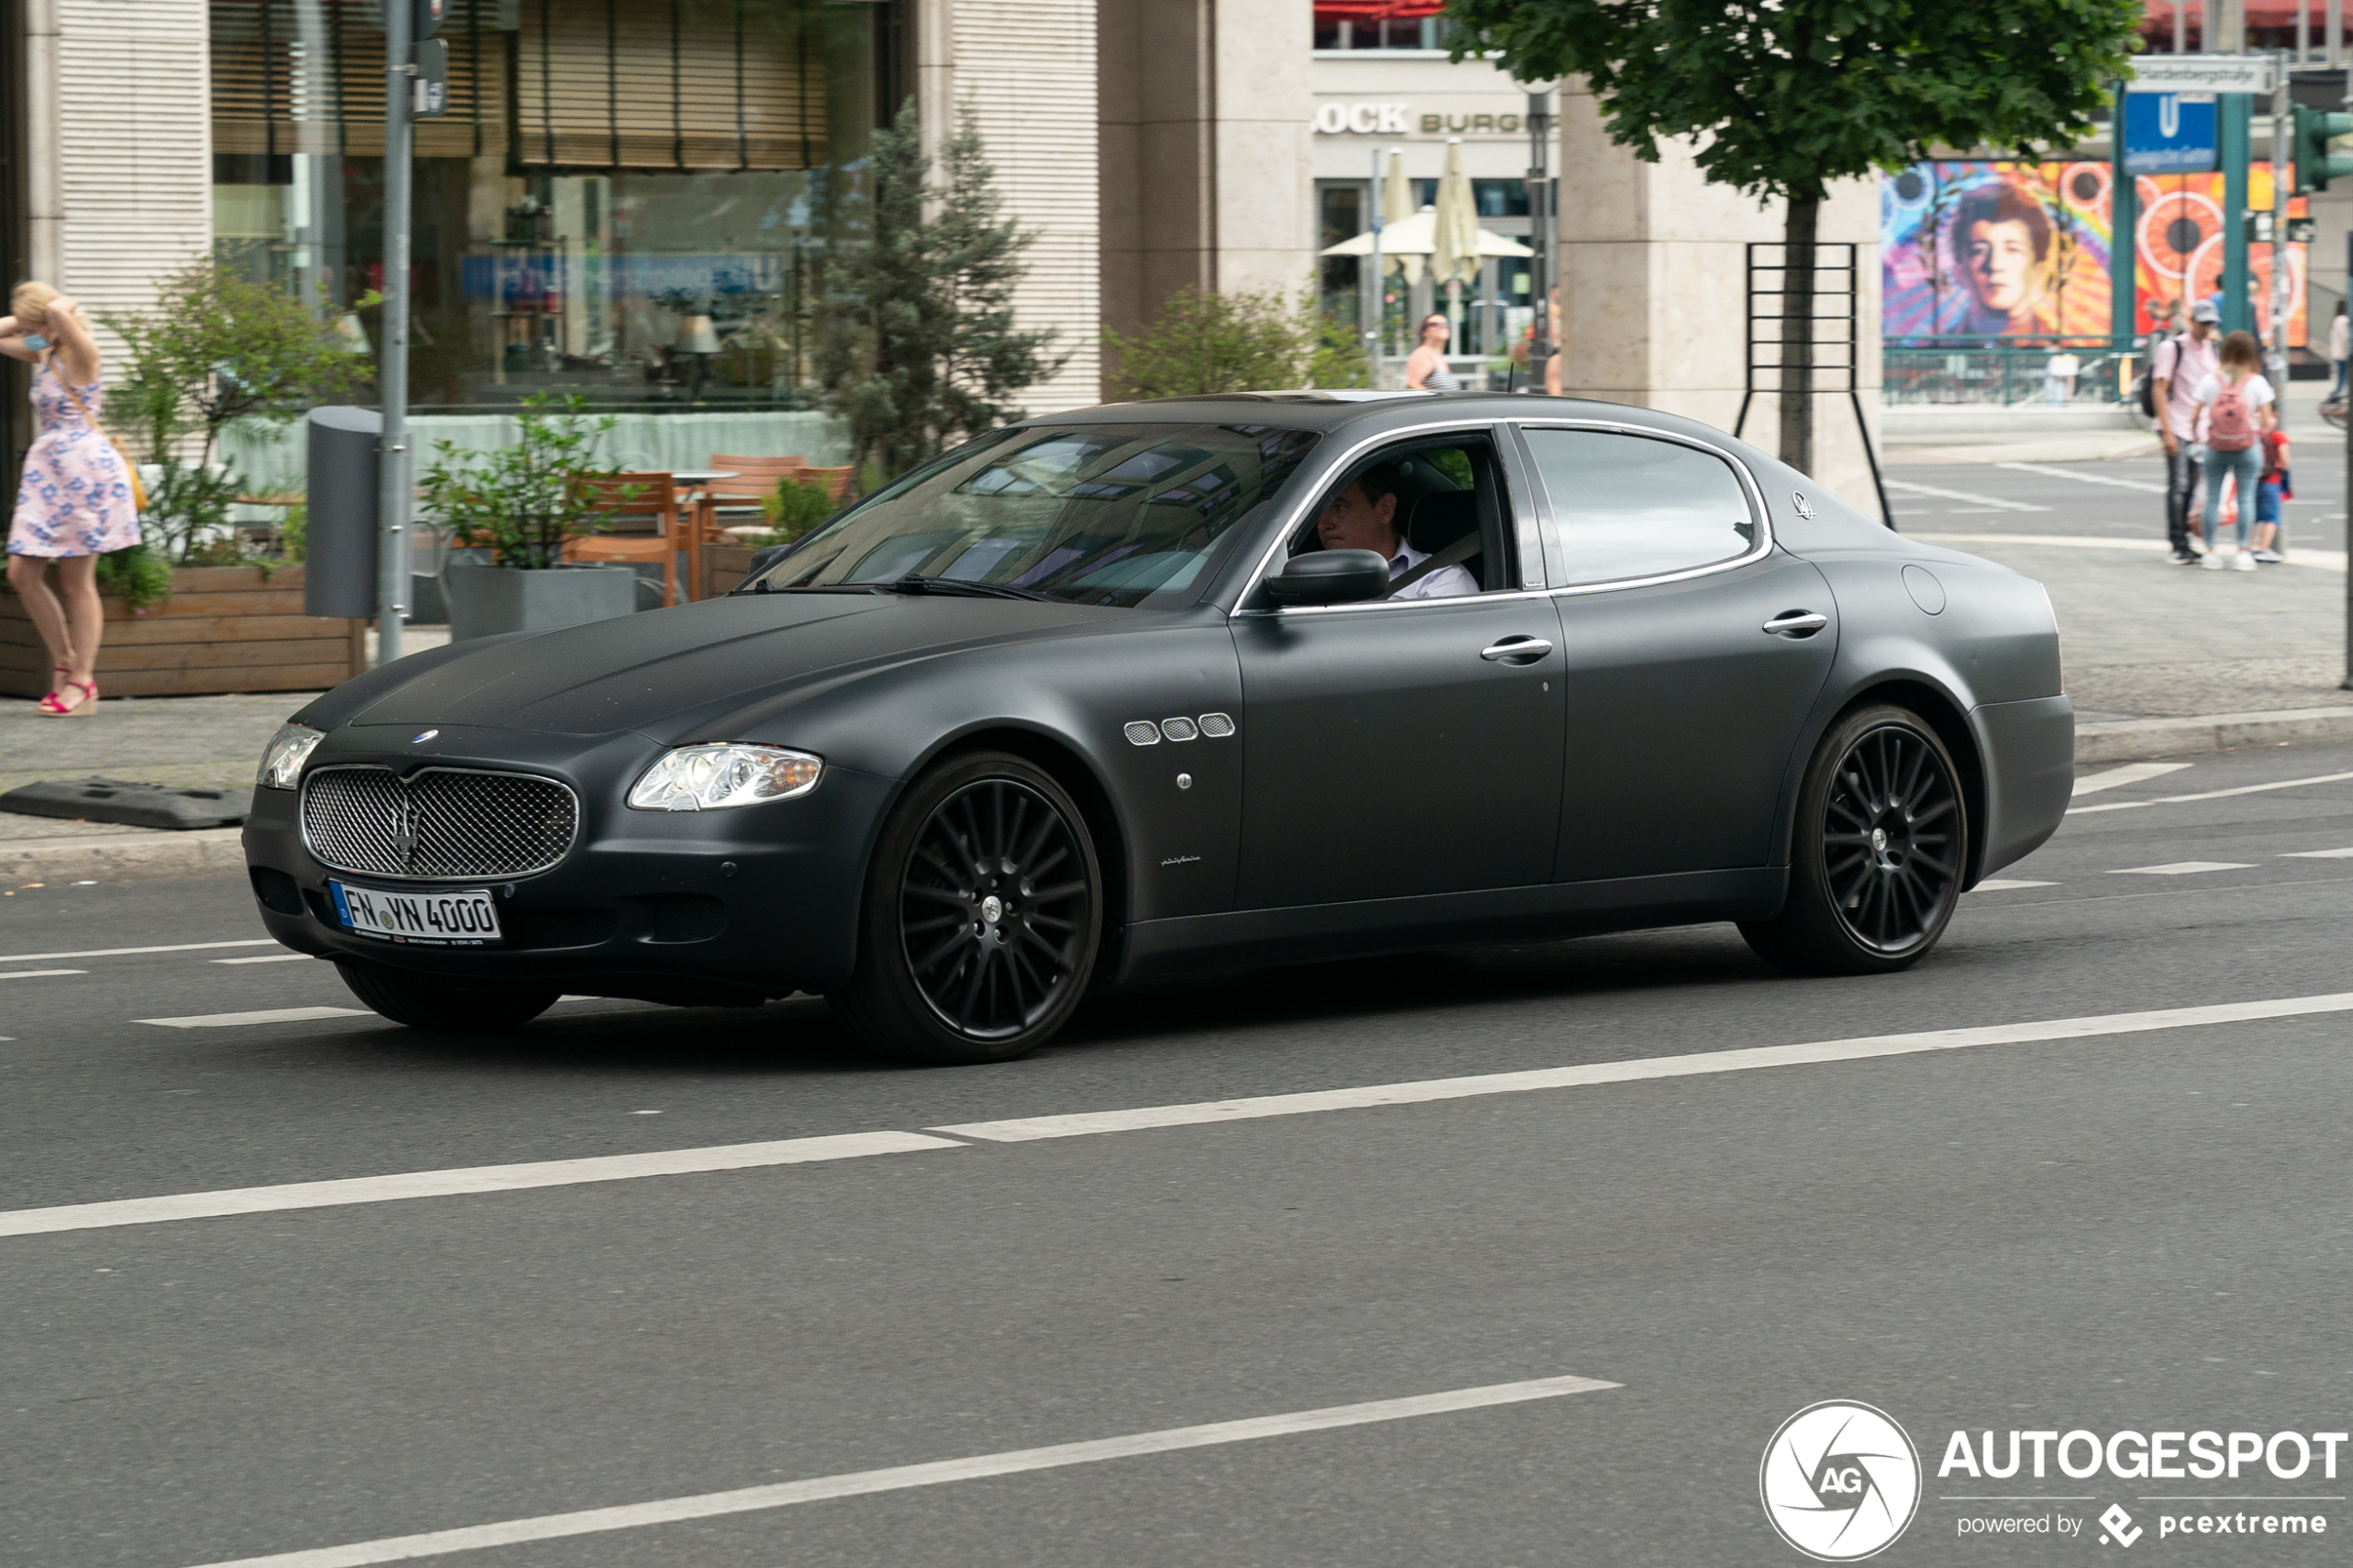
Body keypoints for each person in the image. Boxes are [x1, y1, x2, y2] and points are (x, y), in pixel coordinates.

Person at [2, 281, 136, 716]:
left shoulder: (82, 353)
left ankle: (82, 680)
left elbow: (61, 310)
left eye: (31, 324)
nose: (24, 332)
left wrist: (60, 307)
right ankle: (65, 662)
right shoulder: (46, 350)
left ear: (52, 321)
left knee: (76, 580)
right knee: (22, 572)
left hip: (84, 473)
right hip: (48, 473)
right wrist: (27, 320)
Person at [1314, 464, 1478, 600]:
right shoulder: (1308, 585)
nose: (1322, 524)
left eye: (1339, 507)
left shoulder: (1439, 580)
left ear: (1385, 509)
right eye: (1318, 512)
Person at [2186, 329, 2276, 571]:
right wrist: (2264, 425)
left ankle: (2211, 552)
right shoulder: (2257, 382)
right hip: (2247, 447)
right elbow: (2267, 422)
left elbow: (2195, 415)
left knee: (2212, 498)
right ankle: (2242, 552)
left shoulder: (2211, 380)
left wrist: (2197, 437)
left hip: (2215, 446)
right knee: (2245, 498)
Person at [2152, 299, 2222, 565]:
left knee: (2193, 486)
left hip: (2200, 428)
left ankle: (2187, 542)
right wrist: (2166, 432)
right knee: (2179, 484)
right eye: (2203, 323)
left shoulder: (2210, 350)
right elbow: (2158, 388)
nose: (2207, 328)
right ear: (2192, 321)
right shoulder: (2172, 348)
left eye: (2211, 323)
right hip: (2177, 423)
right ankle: (2178, 544)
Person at [1955, 183, 2054, 336]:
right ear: (1960, 271)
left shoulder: (2055, 344)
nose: (1995, 265)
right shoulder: (1938, 346)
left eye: (2013, 249)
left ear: (2037, 271)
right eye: (1979, 250)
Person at [2251, 423, 2290, 564]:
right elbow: (2285, 461)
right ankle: (2263, 549)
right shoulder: (2277, 435)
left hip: (2252, 480)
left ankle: (2247, 547)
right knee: (2271, 517)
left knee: (2252, 515)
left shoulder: (2253, 433)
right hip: (2271, 480)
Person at [1403, 313, 1460, 390]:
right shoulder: (1422, 355)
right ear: (1425, 332)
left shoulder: (1437, 357)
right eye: (1435, 324)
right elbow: (1412, 385)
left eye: (1446, 324)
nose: (1442, 327)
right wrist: (1437, 399)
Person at [2330, 300, 2348, 403]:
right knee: (2344, 374)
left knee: (2342, 374)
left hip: (2337, 353)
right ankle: (2338, 392)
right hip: (2343, 353)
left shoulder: (2336, 320)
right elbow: (2345, 337)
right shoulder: (2343, 320)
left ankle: (2338, 392)